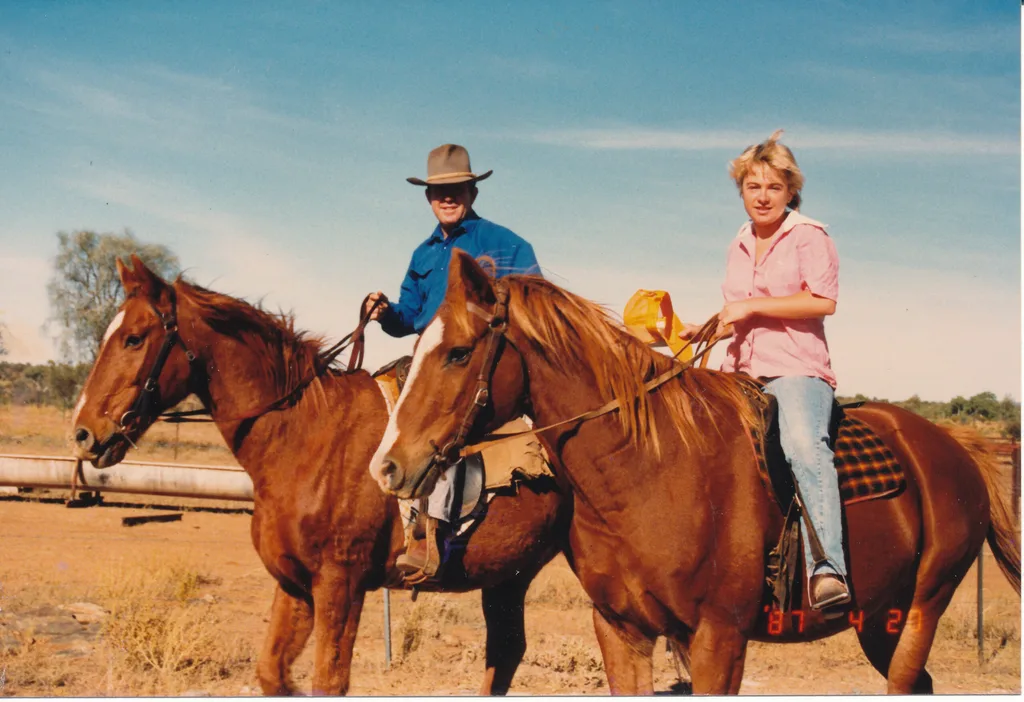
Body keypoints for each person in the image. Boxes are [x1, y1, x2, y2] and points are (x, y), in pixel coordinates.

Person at [680, 130, 850, 614]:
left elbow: (824, 301)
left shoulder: (810, 235)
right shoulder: (738, 240)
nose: (762, 196)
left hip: (795, 369)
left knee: (801, 445)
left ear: (791, 190)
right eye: (752, 186)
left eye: (773, 187)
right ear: (741, 191)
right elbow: (737, 313)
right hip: (738, 371)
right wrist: (702, 331)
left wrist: (753, 307)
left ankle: (827, 569)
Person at [364, 143, 540, 578]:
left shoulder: (505, 244)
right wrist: (386, 314)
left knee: (444, 417)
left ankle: (432, 528)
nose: (447, 198)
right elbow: (408, 317)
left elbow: (536, 305)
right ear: (427, 197)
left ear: (472, 193)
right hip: (431, 354)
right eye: (438, 191)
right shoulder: (422, 254)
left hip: (482, 361)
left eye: (457, 189)